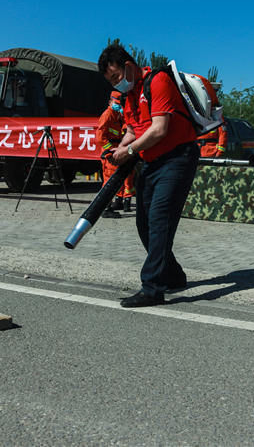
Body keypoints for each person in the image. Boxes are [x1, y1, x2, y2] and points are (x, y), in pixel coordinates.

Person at [97, 44, 200, 308]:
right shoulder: (130, 95)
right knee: (144, 223)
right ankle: (173, 276)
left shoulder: (158, 81)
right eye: (110, 82)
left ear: (128, 67)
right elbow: (133, 129)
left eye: (116, 77)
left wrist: (129, 149)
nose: (116, 84)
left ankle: (152, 288)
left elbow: (159, 129)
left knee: (159, 219)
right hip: (151, 161)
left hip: (177, 158)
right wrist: (121, 147)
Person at [95, 90, 136, 216]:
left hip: (116, 149)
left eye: (119, 104)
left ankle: (115, 202)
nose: (118, 106)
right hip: (110, 152)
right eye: (116, 103)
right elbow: (100, 135)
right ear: (110, 102)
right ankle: (105, 209)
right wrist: (108, 152)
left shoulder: (118, 114)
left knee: (117, 178)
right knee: (109, 180)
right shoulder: (107, 115)